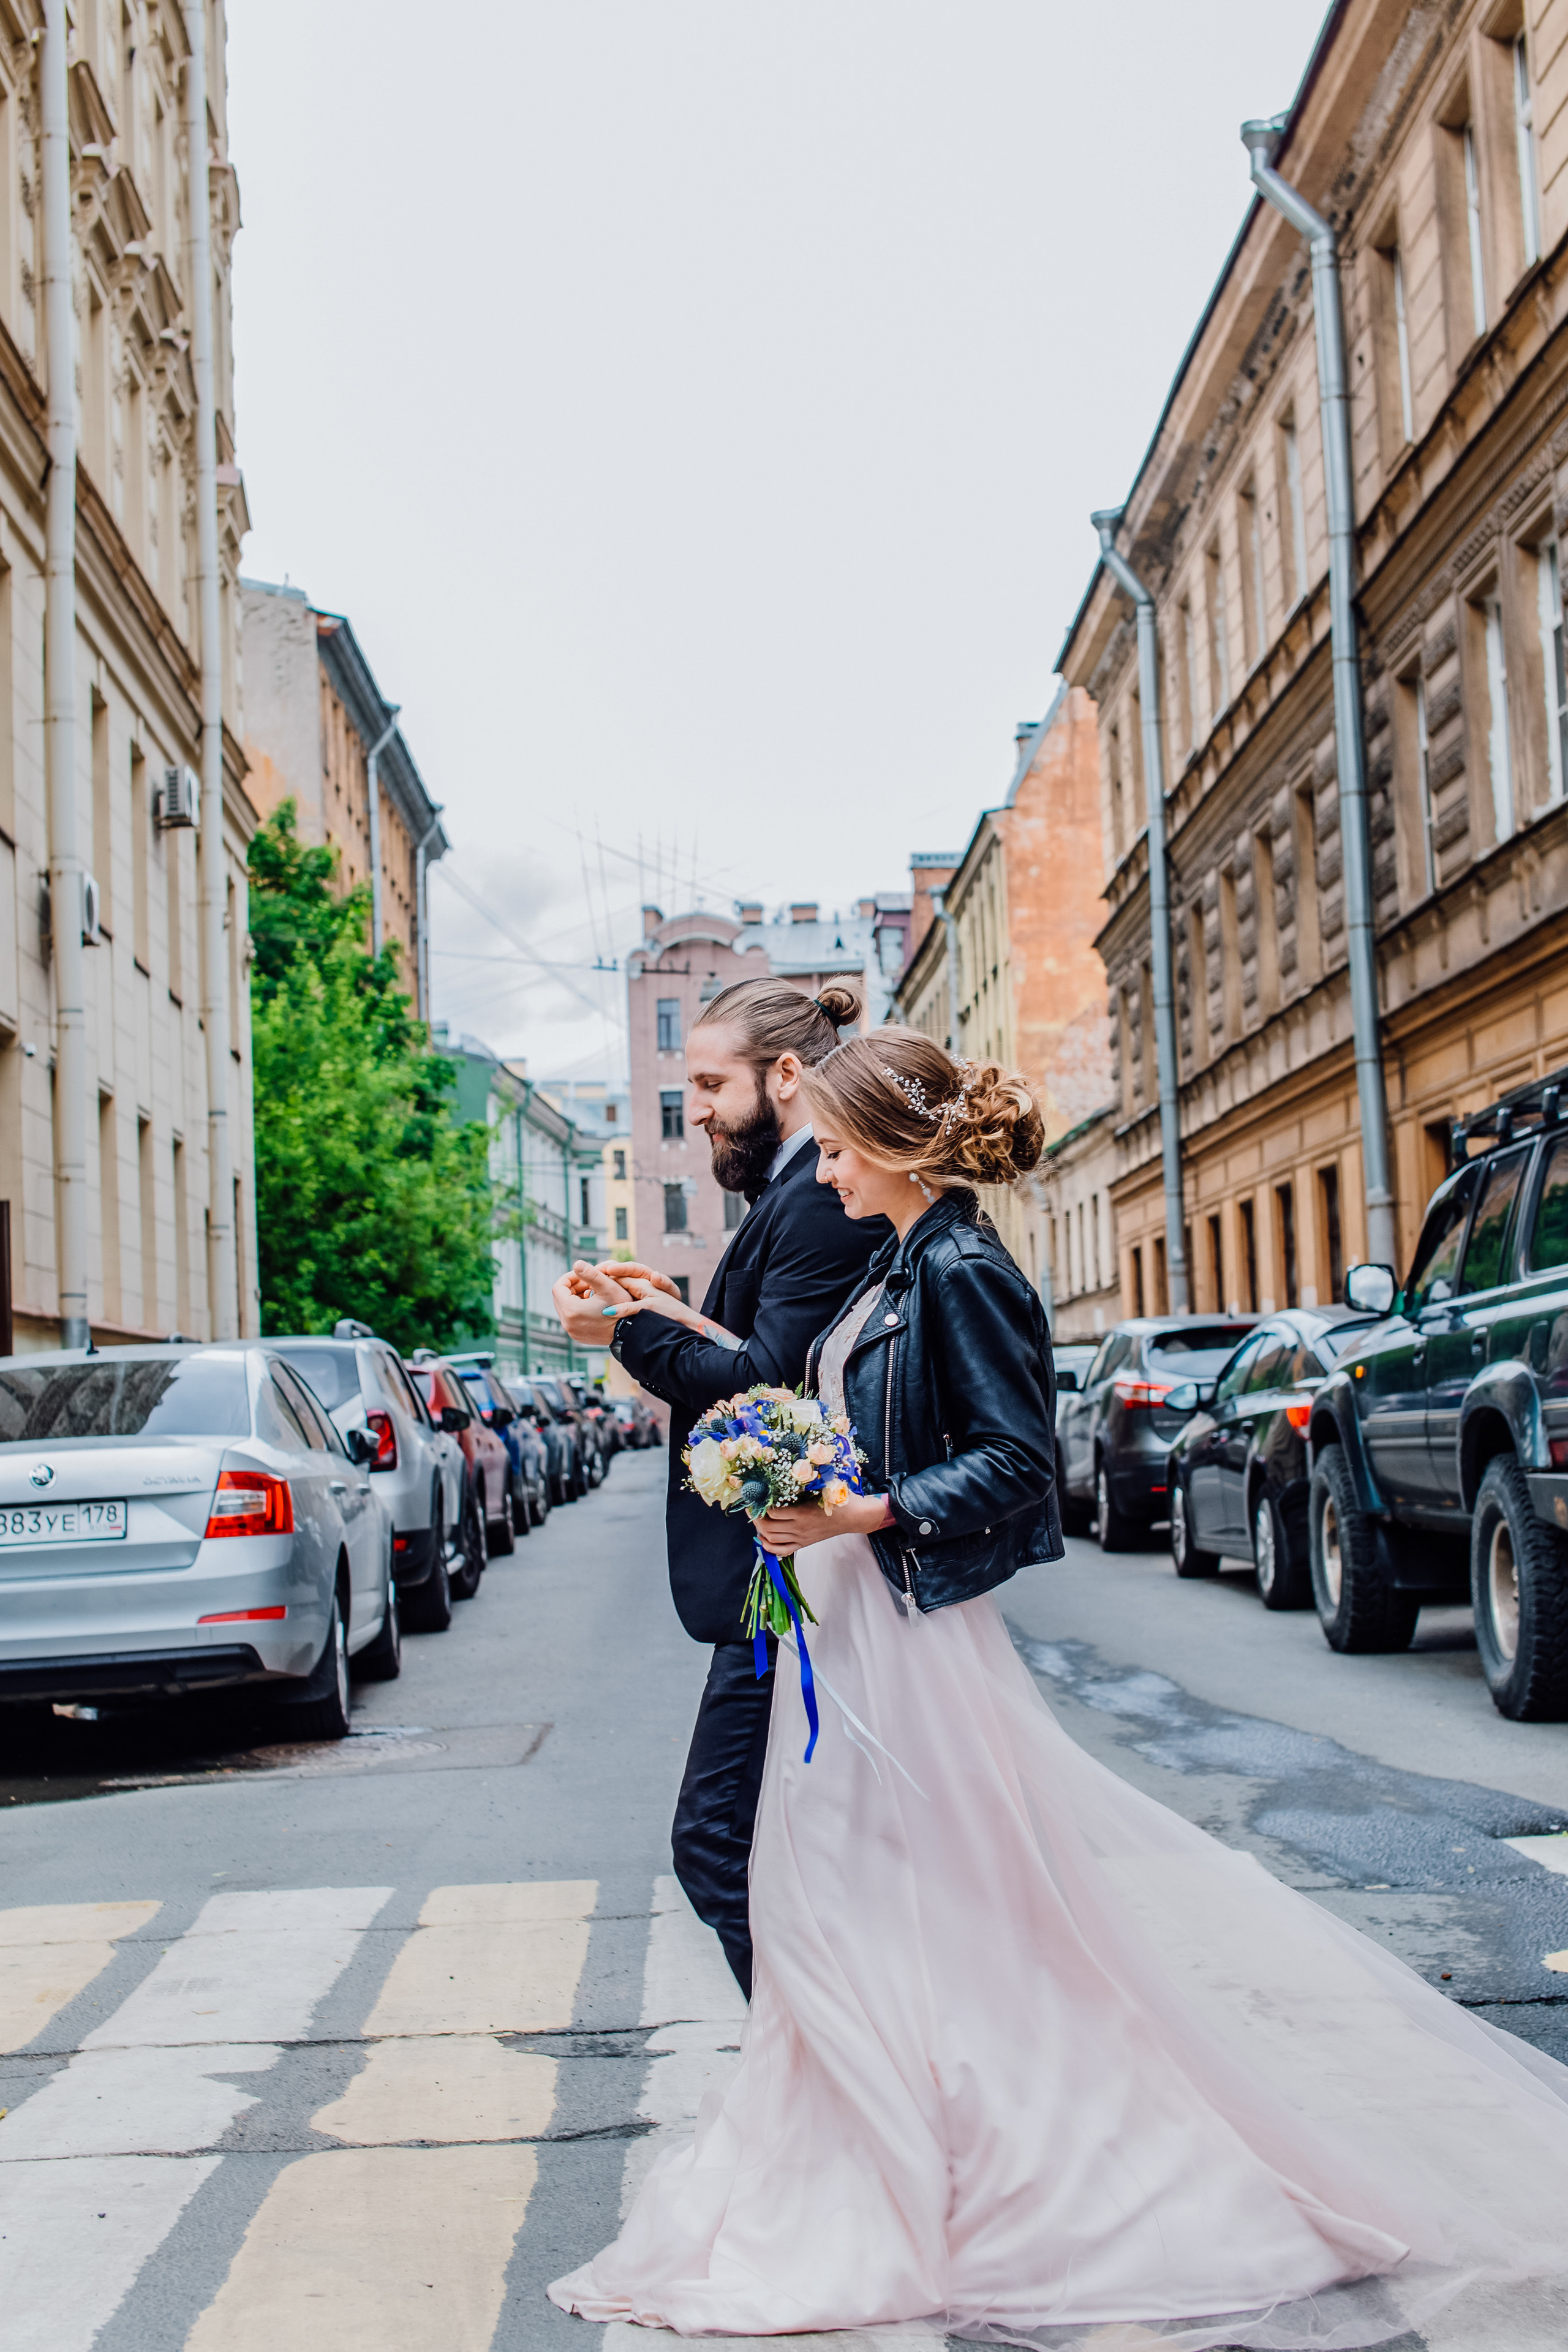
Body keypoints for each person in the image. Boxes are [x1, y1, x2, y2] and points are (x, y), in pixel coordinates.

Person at [551, 1027, 1568, 2348]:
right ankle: (887, 2153)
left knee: (929, 1906)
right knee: (832, 1908)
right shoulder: (907, 1262)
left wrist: (858, 1510)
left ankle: (975, 2169)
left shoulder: (963, 1269)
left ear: (904, 1151)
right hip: (850, 1629)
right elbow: (810, 1394)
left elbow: (1015, 1463)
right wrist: (684, 1349)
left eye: (848, 1149)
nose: (830, 1171)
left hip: (903, 1646)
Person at [551, 974, 885, 1997]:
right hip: (777, 1571)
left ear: (785, 1076)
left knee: (718, 1845)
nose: (692, 1107)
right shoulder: (788, 1190)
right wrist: (668, 1311)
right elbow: (756, 1342)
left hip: (783, 1575)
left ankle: (832, 2080)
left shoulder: (818, 1200)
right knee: (763, 1846)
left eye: (708, 1082)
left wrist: (623, 1335)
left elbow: (763, 1380)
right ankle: (825, 2080)